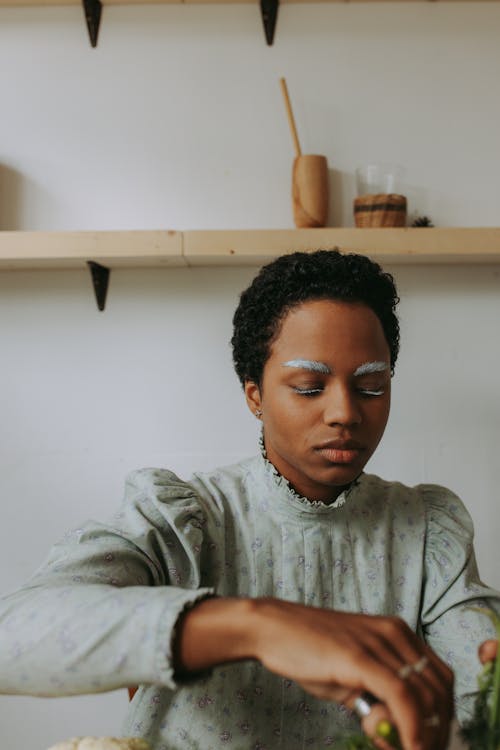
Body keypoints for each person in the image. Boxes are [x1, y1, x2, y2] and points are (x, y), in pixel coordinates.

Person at [0, 249, 499, 750]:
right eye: (309, 387)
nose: (344, 411)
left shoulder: (427, 528)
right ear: (254, 394)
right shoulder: (182, 520)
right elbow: (13, 636)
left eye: (370, 386)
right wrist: (260, 626)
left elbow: (482, 688)